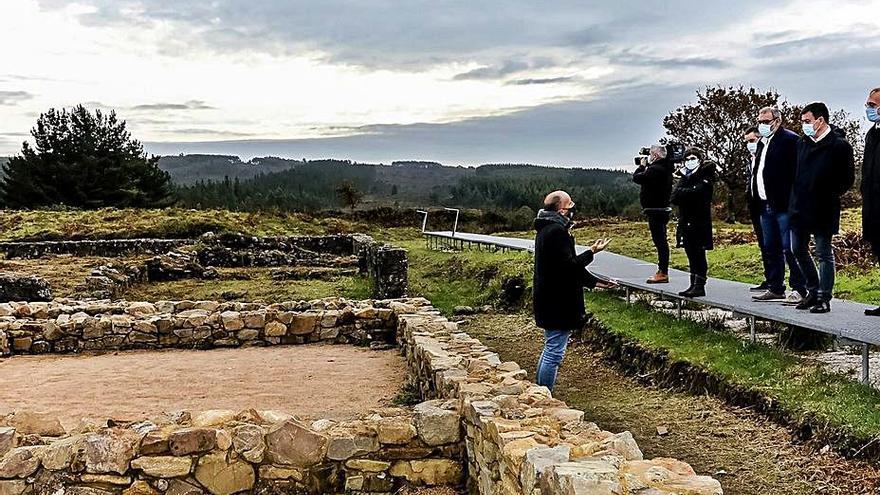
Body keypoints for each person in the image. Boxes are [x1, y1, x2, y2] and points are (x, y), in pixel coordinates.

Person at [533, 190, 610, 391]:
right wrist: (591, 252)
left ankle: (539, 391)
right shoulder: (556, 232)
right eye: (569, 205)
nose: (572, 208)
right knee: (554, 352)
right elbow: (569, 267)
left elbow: (564, 266)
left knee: (550, 347)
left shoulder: (546, 229)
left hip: (549, 298)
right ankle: (543, 394)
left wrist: (596, 282)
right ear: (560, 210)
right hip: (558, 300)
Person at [789, 102, 855, 313]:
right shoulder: (802, 143)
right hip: (800, 206)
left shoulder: (839, 145)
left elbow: (847, 179)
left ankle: (824, 297)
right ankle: (812, 290)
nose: (804, 126)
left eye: (807, 121)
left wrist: (827, 192)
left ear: (820, 120)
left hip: (823, 207)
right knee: (797, 249)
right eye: (802, 122)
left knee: (823, 252)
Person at [750, 107, 807, 304]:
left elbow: (797, 172)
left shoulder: (790, 140)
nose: (762, 125)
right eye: (760, 121)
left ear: (777, 120)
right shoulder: (762, 143)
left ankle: (800, 288)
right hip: (765, 204)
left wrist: (794, 201)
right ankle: (775, 287)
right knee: (770, 247)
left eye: (766, 121)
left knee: (789, 248)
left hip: (783, 205)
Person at [671, 148, 715, 297]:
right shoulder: (684, 176)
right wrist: (688, 192)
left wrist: (686, 192)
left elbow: (701, 192)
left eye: (693, 158)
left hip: (699, 220)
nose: (690, 160)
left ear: (699, 159)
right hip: (686, 220)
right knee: (690, 253)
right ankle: (692, 283)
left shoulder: (706, 174)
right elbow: (675, 197)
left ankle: (700, 284)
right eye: (687, 158)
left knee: (699, 253)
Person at [633, 145, 674, 284]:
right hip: (660, 209)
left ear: (655, 156)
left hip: (656, 210)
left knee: (660, 241)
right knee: (661, 241)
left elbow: (637, 178)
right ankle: (662, 270)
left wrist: (642, 166)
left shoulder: (656, 169)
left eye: (650, 154)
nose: (649, 157)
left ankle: (663, 272)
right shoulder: (666, 168)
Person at [744, 126, 770, 292]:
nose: (749, 144)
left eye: (752, 140)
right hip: (754, 204)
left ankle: (776, 280)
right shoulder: (751, 159)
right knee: (763, 244)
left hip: (765, 203)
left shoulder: (764, 156)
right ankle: (769, 278)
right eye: (747, 142)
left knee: (771, 244)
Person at [863, 87, 880, 316]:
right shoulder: (872, 133)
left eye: (872, 105)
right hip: (874, 206)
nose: (868, 109)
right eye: (868, 105)